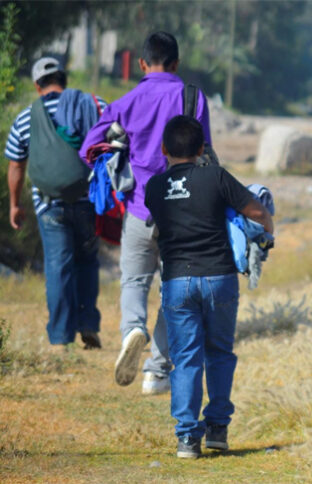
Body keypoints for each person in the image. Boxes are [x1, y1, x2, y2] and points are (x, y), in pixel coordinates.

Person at [81, 32, 211, 395]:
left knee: (134, 282)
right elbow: (207, 151)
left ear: (141, 64)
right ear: (177, 63)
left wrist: (119, 146)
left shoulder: (126, 101)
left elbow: (88, 148)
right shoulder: (192, 97)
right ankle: (156, 371)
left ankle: (132, 330)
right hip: (183, 215)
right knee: (175, 291)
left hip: (139, 210)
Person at [144, 115, 273, 458]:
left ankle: (188, 438)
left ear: (163, 149)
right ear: (202, 148)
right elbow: (256, 211)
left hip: (177, 282)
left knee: (185, 359)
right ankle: (217, 428)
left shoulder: (153, 187)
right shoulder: (216, 177)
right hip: (219, 278)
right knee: (219, 353)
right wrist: (267, 231)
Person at [5, 57, 107, 351]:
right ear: (64, 79)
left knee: (58, 266)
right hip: (89, 201)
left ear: (38, 86)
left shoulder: (26, 116)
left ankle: (61, 338)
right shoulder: (93, 104)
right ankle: (87, 324)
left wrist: (14, 204)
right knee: (87, 261)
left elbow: (16, 165)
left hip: (49, 205)